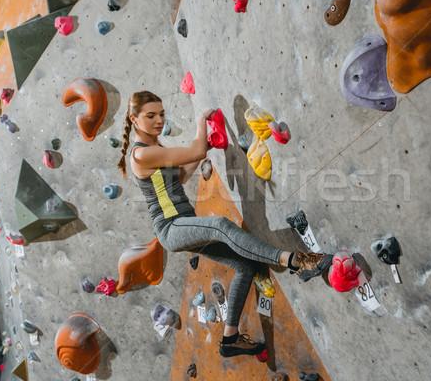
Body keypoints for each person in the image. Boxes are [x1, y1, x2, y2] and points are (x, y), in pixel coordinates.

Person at [117, 91, 333, 358]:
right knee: (220, 224)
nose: (159, 120)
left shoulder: (157, 149)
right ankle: (297, 262)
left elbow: (182, 177)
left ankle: (230, 338)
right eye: (151, 116)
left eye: (161, 114)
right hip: (172, 228)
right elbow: (194, 150)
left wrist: (206, 144)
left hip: (186, 222)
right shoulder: (140, 156)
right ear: (133, 119)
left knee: (245, 265)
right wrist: (200, 122)